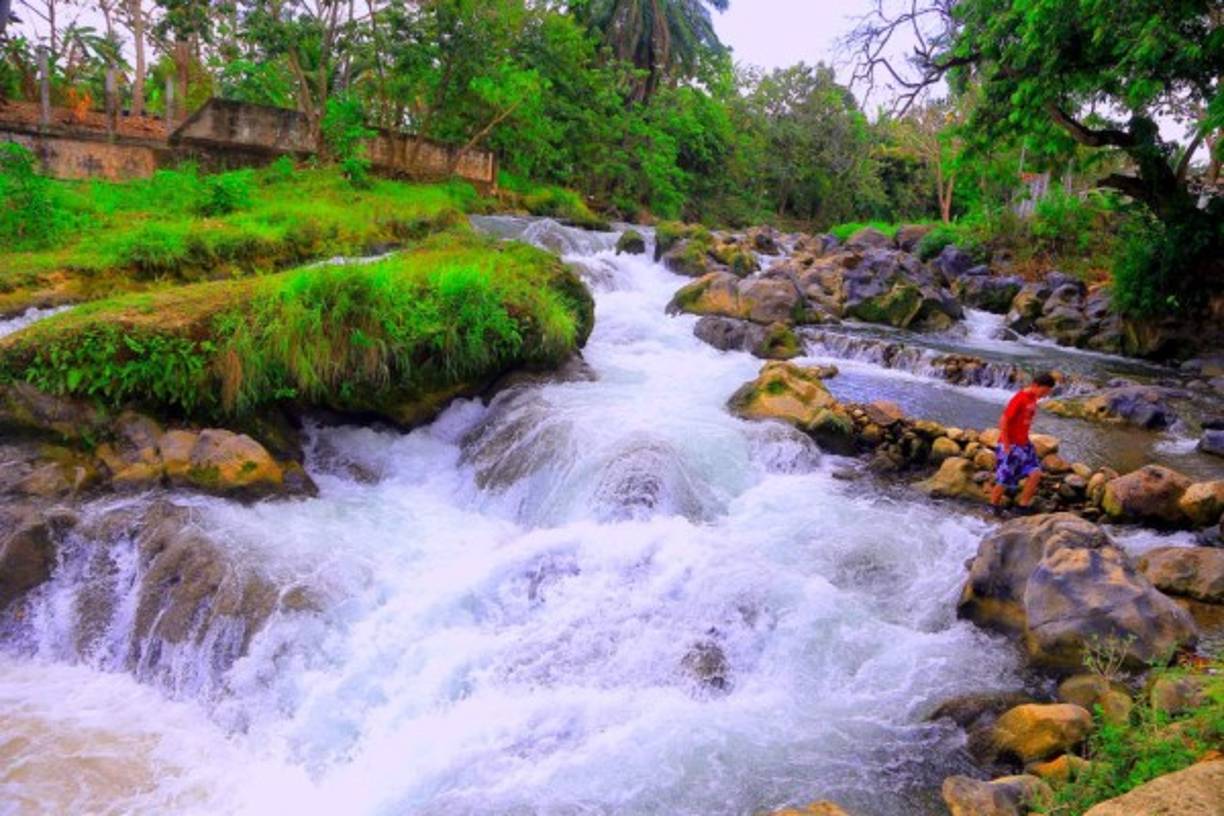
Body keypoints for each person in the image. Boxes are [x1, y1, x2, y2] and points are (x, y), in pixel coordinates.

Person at [990, 371, 1057, 512]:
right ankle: (992, 507)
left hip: (1024, 445)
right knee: (1004, 479)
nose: (1045, 395)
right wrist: (1007, 445)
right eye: (1044, 391)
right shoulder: (1020, 398)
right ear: (1035, 385)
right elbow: (1004, 420)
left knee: (1036, 473)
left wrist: (1026, 441)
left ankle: (1022, 506)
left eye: (1048, 392)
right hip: (1010, 444)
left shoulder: (1033, 398)